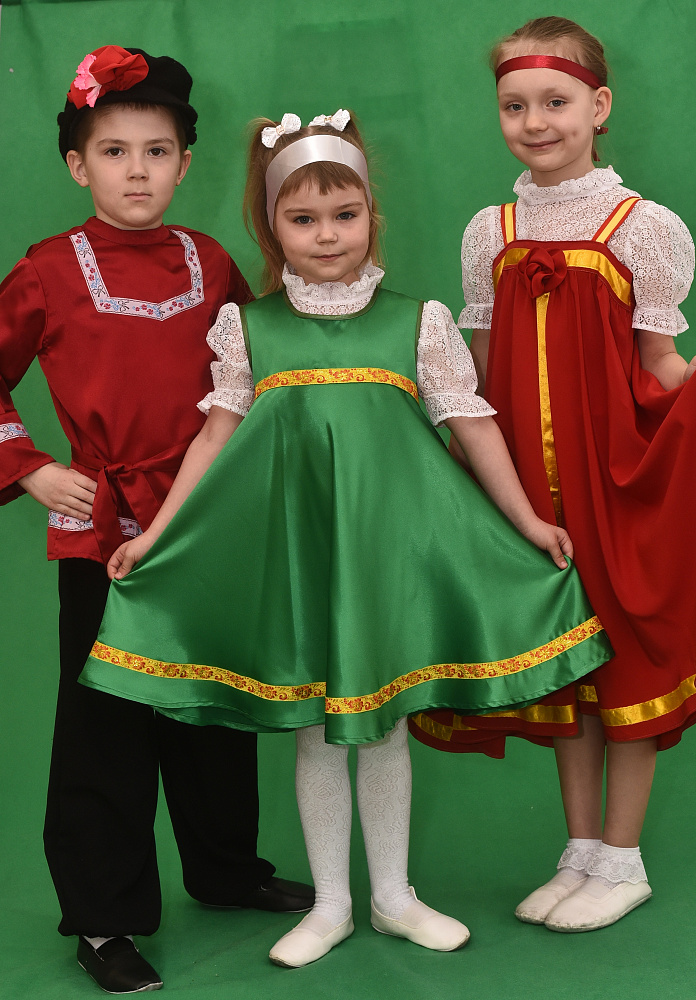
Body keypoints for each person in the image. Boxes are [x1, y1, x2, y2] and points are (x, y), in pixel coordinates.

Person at [79, 107, 612, 967]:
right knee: (317, 729)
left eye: (345, 214)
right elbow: (213, 438)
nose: (327, 235)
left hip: (387, 557)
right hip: (302, 555)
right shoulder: (250, 327)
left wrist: (527, 520)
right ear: (272, 227)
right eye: (302, 219)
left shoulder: (417, 320)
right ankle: (330, 903)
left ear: (371, 216)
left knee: (384, 727)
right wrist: (158, 534)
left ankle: (394, 898)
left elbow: (472, 425)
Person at [0, 45, 313, 995]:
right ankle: (103, 917)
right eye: (114, 151)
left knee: (211, 702)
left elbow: (258, 374)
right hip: (107, 530)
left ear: (185, 163)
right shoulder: (47, 271)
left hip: (208, 521)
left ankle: (225, 869)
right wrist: (34, 468)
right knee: (107, 723)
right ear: (77, 166)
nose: (137, 171)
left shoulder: (210, 262)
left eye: (158, 151)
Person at [409, 16, 696, 934]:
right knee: (563, 659)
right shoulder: (488, 231)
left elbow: (659, 365)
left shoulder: (643, 227)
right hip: (527, 491)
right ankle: (579, 849)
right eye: (514, 106)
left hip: (615, 480)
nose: (535, 122)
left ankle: (624, 858)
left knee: (625, 657)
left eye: (556, 102)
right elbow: (479, 367)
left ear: (598, 106)